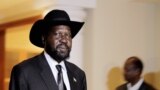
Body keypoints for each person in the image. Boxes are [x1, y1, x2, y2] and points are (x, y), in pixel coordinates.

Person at [9, 9, 87, 90]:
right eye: (58, 34)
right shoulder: (24, 71)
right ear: (44, 38)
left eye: (68, 35)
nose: (64, 39)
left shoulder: (79, 75)